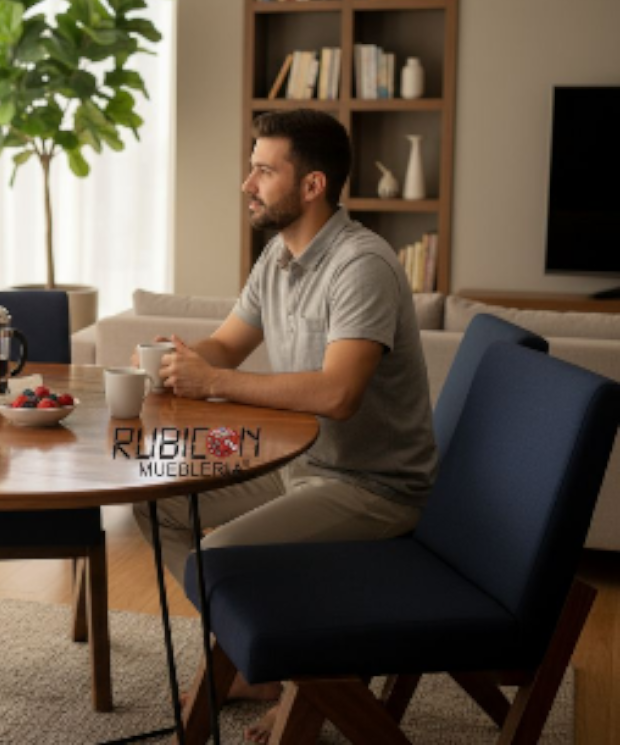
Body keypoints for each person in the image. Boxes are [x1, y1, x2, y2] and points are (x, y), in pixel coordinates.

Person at [133, 109, 437, 742]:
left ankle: (298, 677)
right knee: (155, 497)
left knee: (218, 558)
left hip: (370, 485)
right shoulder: (276, 255)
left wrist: (213, 382)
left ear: (312, 186)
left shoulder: (362, 266)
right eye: (252, 167)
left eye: (264, 170)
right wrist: (186, 360)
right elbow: (226, 346)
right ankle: (261, 657)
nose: (248, 183)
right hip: (293, 463)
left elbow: (338, 393)